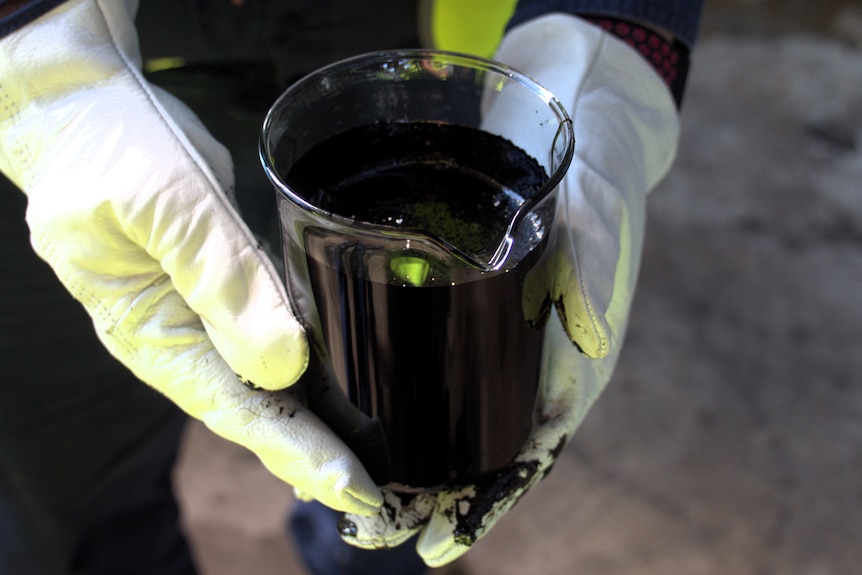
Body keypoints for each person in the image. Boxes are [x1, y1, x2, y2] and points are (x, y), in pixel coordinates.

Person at [0, 0, 703, 573]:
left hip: (396, 35)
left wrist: (612, 26)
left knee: (412, 486)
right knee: (77, 503)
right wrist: (35, 73)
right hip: (81, 89)